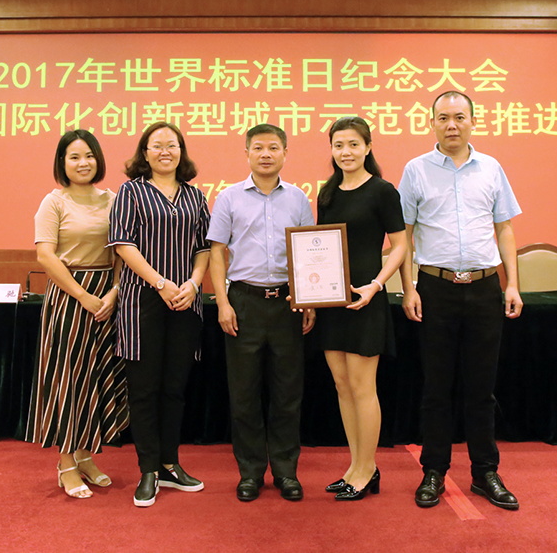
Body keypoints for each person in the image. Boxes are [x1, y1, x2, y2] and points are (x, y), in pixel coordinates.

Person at [398, 90, 523, 511]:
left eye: (459, 117)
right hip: (435, 289)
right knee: (436, 387)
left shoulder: (491, 168)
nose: (451, 125)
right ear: (431, 122)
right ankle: (433, 471)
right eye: (443, 118)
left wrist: (512, 284)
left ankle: (485, 472)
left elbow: (504, 228)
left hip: (485, 288)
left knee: (481, 388)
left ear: (473, 120)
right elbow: (404, 236)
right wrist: (409, 287)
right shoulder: (415, 170)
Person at [207, 123, 315, 502]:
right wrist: (223, 302)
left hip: (288, 303)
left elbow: (309, 250)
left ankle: (286, 472)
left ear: (285, 153)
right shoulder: (229, 198)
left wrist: (308, 300)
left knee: (288, 393)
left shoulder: (298, 199)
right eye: (258, 148)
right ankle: (250, 472)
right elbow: (217, 252)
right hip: (244, 302)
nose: (265, 154)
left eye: (273, 147)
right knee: (244, 393)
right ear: (247, 153)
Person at [109, 121, 211, 508]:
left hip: (185, 300)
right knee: (145, 390)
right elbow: (123, 244)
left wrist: (194, 283)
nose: (165, 151)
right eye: (157, 145)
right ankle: (148, 469)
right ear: (145, 153)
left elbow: (204, 247)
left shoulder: (195, 196)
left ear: (181, 152)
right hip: (143, 302)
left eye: (172, 145)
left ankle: (170, 464)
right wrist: (160, 283)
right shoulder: (131, 192)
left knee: (174, 388)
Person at [27, 129, 129, 500]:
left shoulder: (114, 200)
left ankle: (86, 456)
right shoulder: (53, 202)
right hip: (70, 297)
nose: (83, 163)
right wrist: (84, 296)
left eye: (88, 155)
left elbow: (122, 251)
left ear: (98, 159)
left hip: (108, 298)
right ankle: (66, 462)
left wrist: (114, 293)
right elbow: (46, 256)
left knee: (96, 378)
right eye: (74, 157)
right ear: (62, 163)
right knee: (68, 380)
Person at [314, 117, 407, 501]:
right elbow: (318, 248)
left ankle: (367, 469)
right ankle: (355, 466)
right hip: (332, 301)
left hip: (365, 299)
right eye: (338, 145)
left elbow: (400, 246)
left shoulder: (383, 191)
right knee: (342, 385)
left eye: (353, 144)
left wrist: (377, 284)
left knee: (363, 387)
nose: (346, 152)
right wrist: (309, 292)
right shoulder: (327, 192)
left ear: (367, 147)